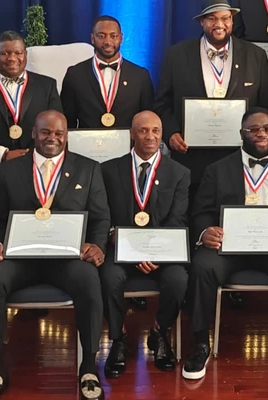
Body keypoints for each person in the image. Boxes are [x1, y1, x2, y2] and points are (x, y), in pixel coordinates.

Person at [0, 110, 111, 400]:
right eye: (45, 132)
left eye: (59, 133)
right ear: (33, 134)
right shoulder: (9, 170)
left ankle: (88, 366)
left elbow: (100, 219)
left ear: (67, 136)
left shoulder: (88, 169)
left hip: (67, 259)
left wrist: (97, 245)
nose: (52, 138)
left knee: (89, 278)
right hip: (20, 258)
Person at [180, 108, 268, 380]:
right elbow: (200, 212)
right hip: (230, 247)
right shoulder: (216, 170)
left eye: (267, 128)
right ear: (241, 134)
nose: (261, 133)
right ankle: (200, 344)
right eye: (253, 129)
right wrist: (205, 231)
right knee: (202, 267)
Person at [156, 0, 268, 199]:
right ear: (202, 22)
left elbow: (266, 104)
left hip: (238, 155)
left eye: (225, 18)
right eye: (212, 18)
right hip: (191, 155)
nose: (219, 24)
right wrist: (171, 133)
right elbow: (162, 103)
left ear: (232, 21)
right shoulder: (177, 55)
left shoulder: (255, 55)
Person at [99, 111, 191, 376]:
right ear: (131, 133)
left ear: (162, 134)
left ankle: (160, 332)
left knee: (178, 279)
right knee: (108, 276)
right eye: (143, 130)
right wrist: (123, 244)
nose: (150, 136)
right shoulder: (108, 170)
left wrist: (156, 253)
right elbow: (103, 216)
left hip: (161, 253)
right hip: (121, 252)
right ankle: (118, 337)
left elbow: (178, 220)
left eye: (156, 131)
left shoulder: (180, 173)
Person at [0, 30, 62, 184]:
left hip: (37, 169)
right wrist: (2, 154)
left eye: (17, 52)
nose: (12, 58)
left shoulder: (47, 85)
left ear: (25, 55)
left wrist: (30, 155)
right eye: (5, 53)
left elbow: (57, 128)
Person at [61, 15, 154, 129]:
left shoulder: (140, 76)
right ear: (92, 38)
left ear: (121, 38)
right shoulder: (75, 74)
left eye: (113, 36)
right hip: (86, 144)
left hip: (128, 145)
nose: (108, 41)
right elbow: (67, 121)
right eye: (101, 36)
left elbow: (148, 119)